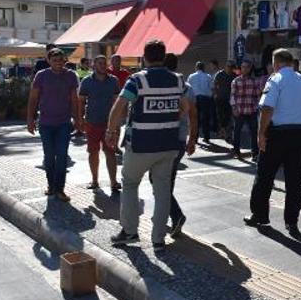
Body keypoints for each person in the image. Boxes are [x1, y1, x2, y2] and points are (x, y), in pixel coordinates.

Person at [105, 40, 196, 251]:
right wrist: (173, 117)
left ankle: (129, 231)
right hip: (168, 144)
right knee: (162, 190)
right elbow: (186, 108)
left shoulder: (137, 80)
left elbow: (119, 106)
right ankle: (158, 240)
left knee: (129, 184)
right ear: (163, 57)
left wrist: (111, 131)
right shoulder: (178, 80)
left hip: (140, 145)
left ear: (145, 57)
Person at [244, 49, 301, 237]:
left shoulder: (275, 79)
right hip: (298, 133)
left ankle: (260, 215)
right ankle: (292, 221)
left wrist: (261, 134)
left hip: (278, 134)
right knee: (294, 179)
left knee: (264, 176)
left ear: (276, 63)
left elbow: (267, 108)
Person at [27, 48, 81, 202]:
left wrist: (78, 119)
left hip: (64, 123)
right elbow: (33, 98)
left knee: (62, 156)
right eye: (54, 60)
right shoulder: (41, 75)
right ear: (49, 61)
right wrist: (30, 119)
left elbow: (74, 99)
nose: (58, 63)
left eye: (60, 60)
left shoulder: (70, 75)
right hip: (45, 123)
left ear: (64, 60)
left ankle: (60, 189)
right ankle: (51, 186)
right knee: (49, 157)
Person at [163, 53, 198, 237]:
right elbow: (193, 115)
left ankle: (175, 215)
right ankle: (169, 215)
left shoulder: (161, 85)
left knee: (158, 181)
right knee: (168, 180)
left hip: (164, 139)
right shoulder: (188, 87)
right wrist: (192, 140)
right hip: (179, 140)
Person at [78, 55, 120, 191]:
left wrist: (116, 122)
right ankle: (94, 180)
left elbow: (116, 102)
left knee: (110, 152)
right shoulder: (86, 81)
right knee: (93, 152)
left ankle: (113, 182)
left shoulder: (113, 81)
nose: (103, 65)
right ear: (94, 65)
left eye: (104, 63)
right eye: (100, 63)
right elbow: (81, 102)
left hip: (109, 124)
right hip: (92, 123)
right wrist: (80, 119)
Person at [231, 60, 260, 161]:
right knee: (237, 132)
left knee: (254, 132)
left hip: (252, 110)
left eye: (247, 67)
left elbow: (257, 96)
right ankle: (236, 151)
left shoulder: (255, 81)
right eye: (243, 67)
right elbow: (232, 96)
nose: (245, 69)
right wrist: (234, 108)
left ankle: (255, 153)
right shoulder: (236, 81)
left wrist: (257, 108)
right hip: (239, 111)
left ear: (250, 68)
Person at [187, 61, 214, 143]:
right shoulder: (208, 76)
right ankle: (206, 137)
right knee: (205, 118)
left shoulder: (191, 76)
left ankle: (195, 138)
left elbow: (188, 88)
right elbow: (212, 87)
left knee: (195, 119)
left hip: (194, 98)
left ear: (196, 68)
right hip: (206, 99)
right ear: (203, 68)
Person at [213, 60, 236, 140]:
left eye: (232, 67)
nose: (230, 69)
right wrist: (215, 94)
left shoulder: (234, 75)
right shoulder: (219, 74)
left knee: (228, 115)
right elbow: (215, 85)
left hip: (229, 99)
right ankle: (223, 131)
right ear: (226, 66)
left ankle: (225, 131)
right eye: (229, 67)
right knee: (220, 115)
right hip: (220, 98)